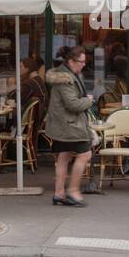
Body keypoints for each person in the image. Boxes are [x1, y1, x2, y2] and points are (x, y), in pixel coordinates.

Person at [45, 44, 96, 206]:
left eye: (84, 61)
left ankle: (59, 193)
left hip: (63, 123)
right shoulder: (65, 79)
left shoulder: (67, 74)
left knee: (64, 156)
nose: (83, 64)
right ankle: (73, 191)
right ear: (71, 61)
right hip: (70, 125)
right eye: (81, 61)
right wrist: (88, 100)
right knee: (85, 155)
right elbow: (72, 104)